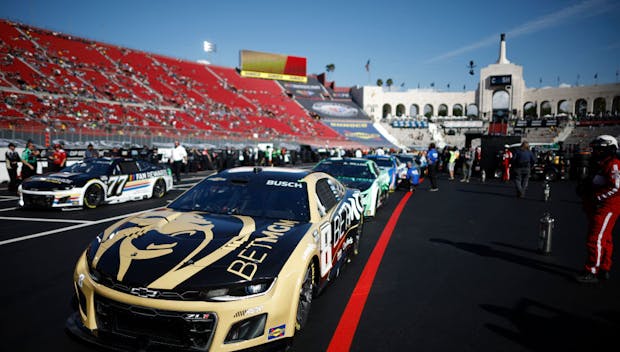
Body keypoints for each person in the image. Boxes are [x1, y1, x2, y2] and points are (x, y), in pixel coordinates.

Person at [575, 135, 620, 284]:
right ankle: (604, 268)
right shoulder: (603, 163)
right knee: (605, 238)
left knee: (595, 239)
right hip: (601, 205)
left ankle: (592, 270)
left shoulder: (614, 164)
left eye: (599, 149)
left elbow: (616, 187)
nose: (596, 151)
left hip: (608, 206)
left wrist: (597, 197)